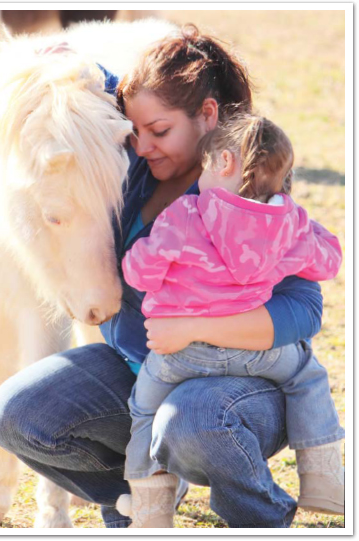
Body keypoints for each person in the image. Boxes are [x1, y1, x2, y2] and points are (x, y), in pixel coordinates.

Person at [0, 25, 334, 528]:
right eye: (136, 132)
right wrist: (60, 63)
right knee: (15, 415)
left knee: (187, 421)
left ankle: (262, 516)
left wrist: (194, 330)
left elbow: (304, 310)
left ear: (207, 116)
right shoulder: (138, 167)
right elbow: (110, 92)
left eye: (160, 131)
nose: (144, 145)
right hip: (140, 373)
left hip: (240, 384)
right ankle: (135, 498)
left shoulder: (252, 185)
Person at [116, 114, 344, 527]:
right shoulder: (288, 223)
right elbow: (329, 260)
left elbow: (139, 273)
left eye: (205, 167)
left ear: (223, 162)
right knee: (308, 377)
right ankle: (323, 480)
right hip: (260, 354)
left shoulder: (185, 215)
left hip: (179, 354)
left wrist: (141, 258)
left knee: (144, 411)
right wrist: (302, 226)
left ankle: (150, 509)